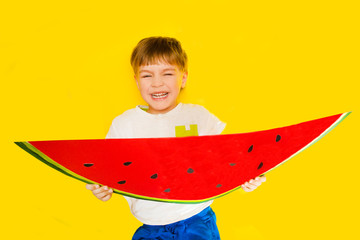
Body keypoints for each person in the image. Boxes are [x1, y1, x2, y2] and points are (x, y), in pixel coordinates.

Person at [85, 36, 266, 239]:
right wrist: (99, 189)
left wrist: (248, 176)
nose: (157, 83)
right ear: (136, 81)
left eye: (167, 73)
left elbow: (228, 158)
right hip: (149, 227)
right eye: (147, 76)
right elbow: (104, 170)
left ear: (184, 78)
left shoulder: (198, 116)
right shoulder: (124, 124)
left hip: (196, 220)